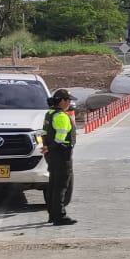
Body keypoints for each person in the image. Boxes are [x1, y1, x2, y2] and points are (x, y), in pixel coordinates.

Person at [42, 90, 78, 226]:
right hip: (62, 155)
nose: (70, 103)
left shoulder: (49, 113)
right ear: (62, 101)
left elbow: (44, 133)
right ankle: (60, 216)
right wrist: (52, 148)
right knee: (62, 186)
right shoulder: (61, 116)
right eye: (68, 100)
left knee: (53, 184)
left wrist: (47, 149)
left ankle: (52, 214)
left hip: (52, 155)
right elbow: (60, 139)